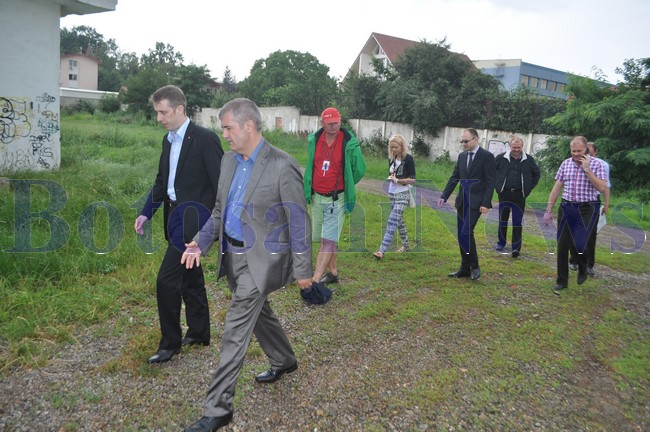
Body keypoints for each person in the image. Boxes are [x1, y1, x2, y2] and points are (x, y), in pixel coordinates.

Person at [181, 98, 313, 432]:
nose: (223, 134)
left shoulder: (282, 165)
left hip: (262, 260)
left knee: (235, 330)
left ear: (248, 126)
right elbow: (218, 211)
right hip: (232, 257)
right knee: (260, 314)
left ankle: (218, 408)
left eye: (228, 127)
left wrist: (303, 270)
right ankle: (284, 360)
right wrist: (201, 239)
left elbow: (298, 220)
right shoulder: (228, 162)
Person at [134, 85, 223, 364]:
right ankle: (199, 332)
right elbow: (163, 181)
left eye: (163, 112)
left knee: (166, 281)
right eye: (157, 112)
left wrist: (211, 226)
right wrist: (147, 211)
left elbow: (221, 183)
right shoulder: (168, 140)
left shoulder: (205, 139)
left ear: (180, 109)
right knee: (191, 278)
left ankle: (169, 344)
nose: (159, 118)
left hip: (194, 220)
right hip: (173, 217)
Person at [303, 107, 366, 285]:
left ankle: (314, 280)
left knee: (328, 240)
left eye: (336, 122)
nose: (333, 126)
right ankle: (333, 273)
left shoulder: (349, 143)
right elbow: (311, 166)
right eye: (329, 123)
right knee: (323, 238)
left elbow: (359, 169)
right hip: (316, 197)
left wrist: (347, 182)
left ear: (340, 121)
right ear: (322, 123)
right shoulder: (314, 140)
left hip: (336, 198)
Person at [543, 136, 607, 295]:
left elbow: (601, 187)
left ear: (586, 149)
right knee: (563, 245)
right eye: (574, 151)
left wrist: (587, 169)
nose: (576, 154)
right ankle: (561, 281)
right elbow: (557, 187)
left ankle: (583, 267)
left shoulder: (597, 164)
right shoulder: (565, 164)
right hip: (567, 206)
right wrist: (549, 208)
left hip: (588, 207)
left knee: (580, 241)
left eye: (579, 151)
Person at [437, 128, 496, 280]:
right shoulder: (462, 157)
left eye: (466, 141)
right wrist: (444, 196)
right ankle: (465, 268)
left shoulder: (487, 157)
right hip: (462, 201)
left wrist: (486, 203)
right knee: (461, 235)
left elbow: (490, 182)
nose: (463, 144)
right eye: (462, 141)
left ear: (475, 139)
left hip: (477, 202)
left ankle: (474, 266)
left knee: (466, 233)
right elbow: (454, 177)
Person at [494, 136, 541, 258]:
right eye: (514, 147)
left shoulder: (529, 160)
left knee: (517, 222)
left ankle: (516, 248)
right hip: (504, 193)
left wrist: (529, 187)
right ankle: (501, 243)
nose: (516, 150)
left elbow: (536, 173)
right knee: (502, 219)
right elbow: (492, 171)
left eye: (518, 148)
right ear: (510, 146)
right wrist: (497, 185)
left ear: (522, 147)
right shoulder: (501, 158)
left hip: (520, 195)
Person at [569, 141, 611, 275]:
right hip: (576, 202)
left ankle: (589, 264)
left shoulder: (601, 165)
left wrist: (607, 203)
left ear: (595, 153)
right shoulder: (573, 163)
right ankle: (574, 260)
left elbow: (606, 187)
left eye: (591, 154)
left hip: (593, 202)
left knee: (591, 235)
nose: (588, 157)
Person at [372, 134, 416, 259]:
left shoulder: (408, 159)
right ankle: (406, 246)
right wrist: (392, 179)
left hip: (403, 194)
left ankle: (381, 250)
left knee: (392, 221)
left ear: (402, 146)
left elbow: (412, 180)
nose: (393, 150)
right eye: (391, 147)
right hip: (392, 194)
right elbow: (391, 174)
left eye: (396, 147)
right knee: (399, 221)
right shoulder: (391, 158)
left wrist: (397, 180)